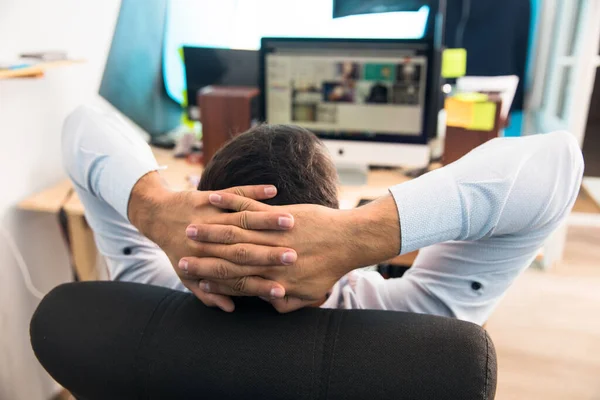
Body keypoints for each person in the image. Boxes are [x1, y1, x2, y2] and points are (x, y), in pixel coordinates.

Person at [62, 105, 583, 323]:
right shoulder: (421, 325)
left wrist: (154, 208)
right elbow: (558, 162)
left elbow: (83, 124)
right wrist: (363, 234)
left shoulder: (141, 289)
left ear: (198, 197)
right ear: (329, 217)